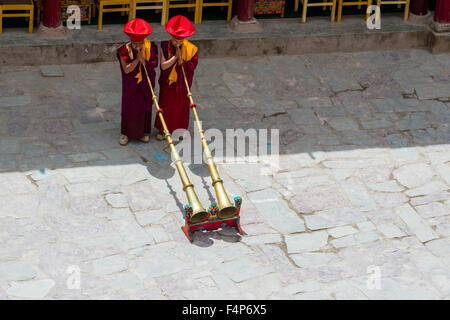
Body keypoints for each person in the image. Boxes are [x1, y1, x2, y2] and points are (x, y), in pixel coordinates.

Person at [154, 15, 198, 141]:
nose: (178, 43)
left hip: (182, 83)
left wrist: (182, 62)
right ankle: (163, 130)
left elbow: (192, 65)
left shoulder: (191, 49)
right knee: (166, 104)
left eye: (180, 41)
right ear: (171, 37)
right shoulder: (164, 46)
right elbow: (163, 66)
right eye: (175, 40)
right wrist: (175, 58)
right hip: (168, 82)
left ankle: (180, 129)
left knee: (181, 106)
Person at [117, 18, 158, 146]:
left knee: (144, 104)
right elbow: (126, 70)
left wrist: (144, 62)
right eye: (135, 44)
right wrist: (137, 61)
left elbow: (155, 64)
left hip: (145, 83)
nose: (138, 47)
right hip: (130, 85)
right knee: (130, 106)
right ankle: (126, 133)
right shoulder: (123, 50)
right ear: (130, 41)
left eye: (140, 43)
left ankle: (143, 133)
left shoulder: (151, 47)